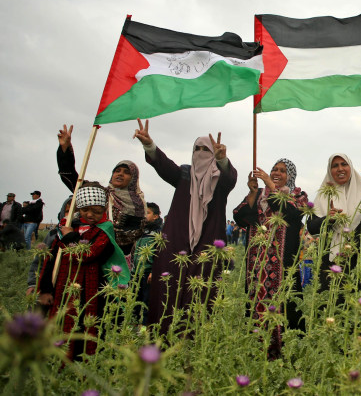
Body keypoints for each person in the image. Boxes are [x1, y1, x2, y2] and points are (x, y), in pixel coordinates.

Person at [133, 119, 237, 334]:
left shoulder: (220, 179)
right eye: (197, 149)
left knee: (201, 290)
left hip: (207, 244)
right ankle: (163, 338)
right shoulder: (183, 175)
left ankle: (195, 340)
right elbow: (163, 165)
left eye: (205, 149)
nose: (200, 153)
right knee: (168, 287)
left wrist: (223, 160)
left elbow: (231, 178)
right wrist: (149, 144)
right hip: (176, 241)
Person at [233, 159, 309, 357]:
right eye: (274, 169)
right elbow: (240, 217)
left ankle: (288, 352)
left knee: (286, 305)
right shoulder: (259, 195)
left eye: (282, 171)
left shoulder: (297, 195)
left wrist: (270, 185)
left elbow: (292, 213)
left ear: (290, 176)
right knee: (256, 303)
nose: (277, 172)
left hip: (283, 265)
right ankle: (257, 351)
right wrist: (252, 192)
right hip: (256, 264)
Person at [37, 184, 116, 361]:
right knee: (58, 323)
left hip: (88, 291)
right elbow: (51, 260)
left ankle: (80, 369)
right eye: (85, 210)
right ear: (78, 208)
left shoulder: (104, 232)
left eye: (96, 211)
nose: (90, 215)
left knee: (82, 327)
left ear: (103, 210)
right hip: (61, 289)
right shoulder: (66, 227)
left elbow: (86, 254)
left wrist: (70, 237)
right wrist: (45, 289)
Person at [57, 124, 146, 254]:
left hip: (117, 257)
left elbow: (133, 233)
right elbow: (71, 179)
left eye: (126, 172)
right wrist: (65, 149)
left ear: (133, 178)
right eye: (117, 171)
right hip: (87, 249)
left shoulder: (138, 203)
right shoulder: (99, 193)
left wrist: (107, 236)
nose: (120, 174)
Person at [306, 153, 361, 288]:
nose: (340, 169)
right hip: (330, 258)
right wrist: (328, 219)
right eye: (335, 165)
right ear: (329, 171)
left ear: (350, 167)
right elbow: (312, 227)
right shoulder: (324, 195)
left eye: (344, 164)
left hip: (359, 256)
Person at [132, 202, 163, 325]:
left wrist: (153, 271)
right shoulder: (141, 231)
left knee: (146, 302)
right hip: (136, 272)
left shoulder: (159, 233)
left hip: (147, 273)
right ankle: (132, 325)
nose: (145, 215)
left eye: (148, 213)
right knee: (134, 300)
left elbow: (159, 255)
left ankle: (144, 327)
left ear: (155, 216)